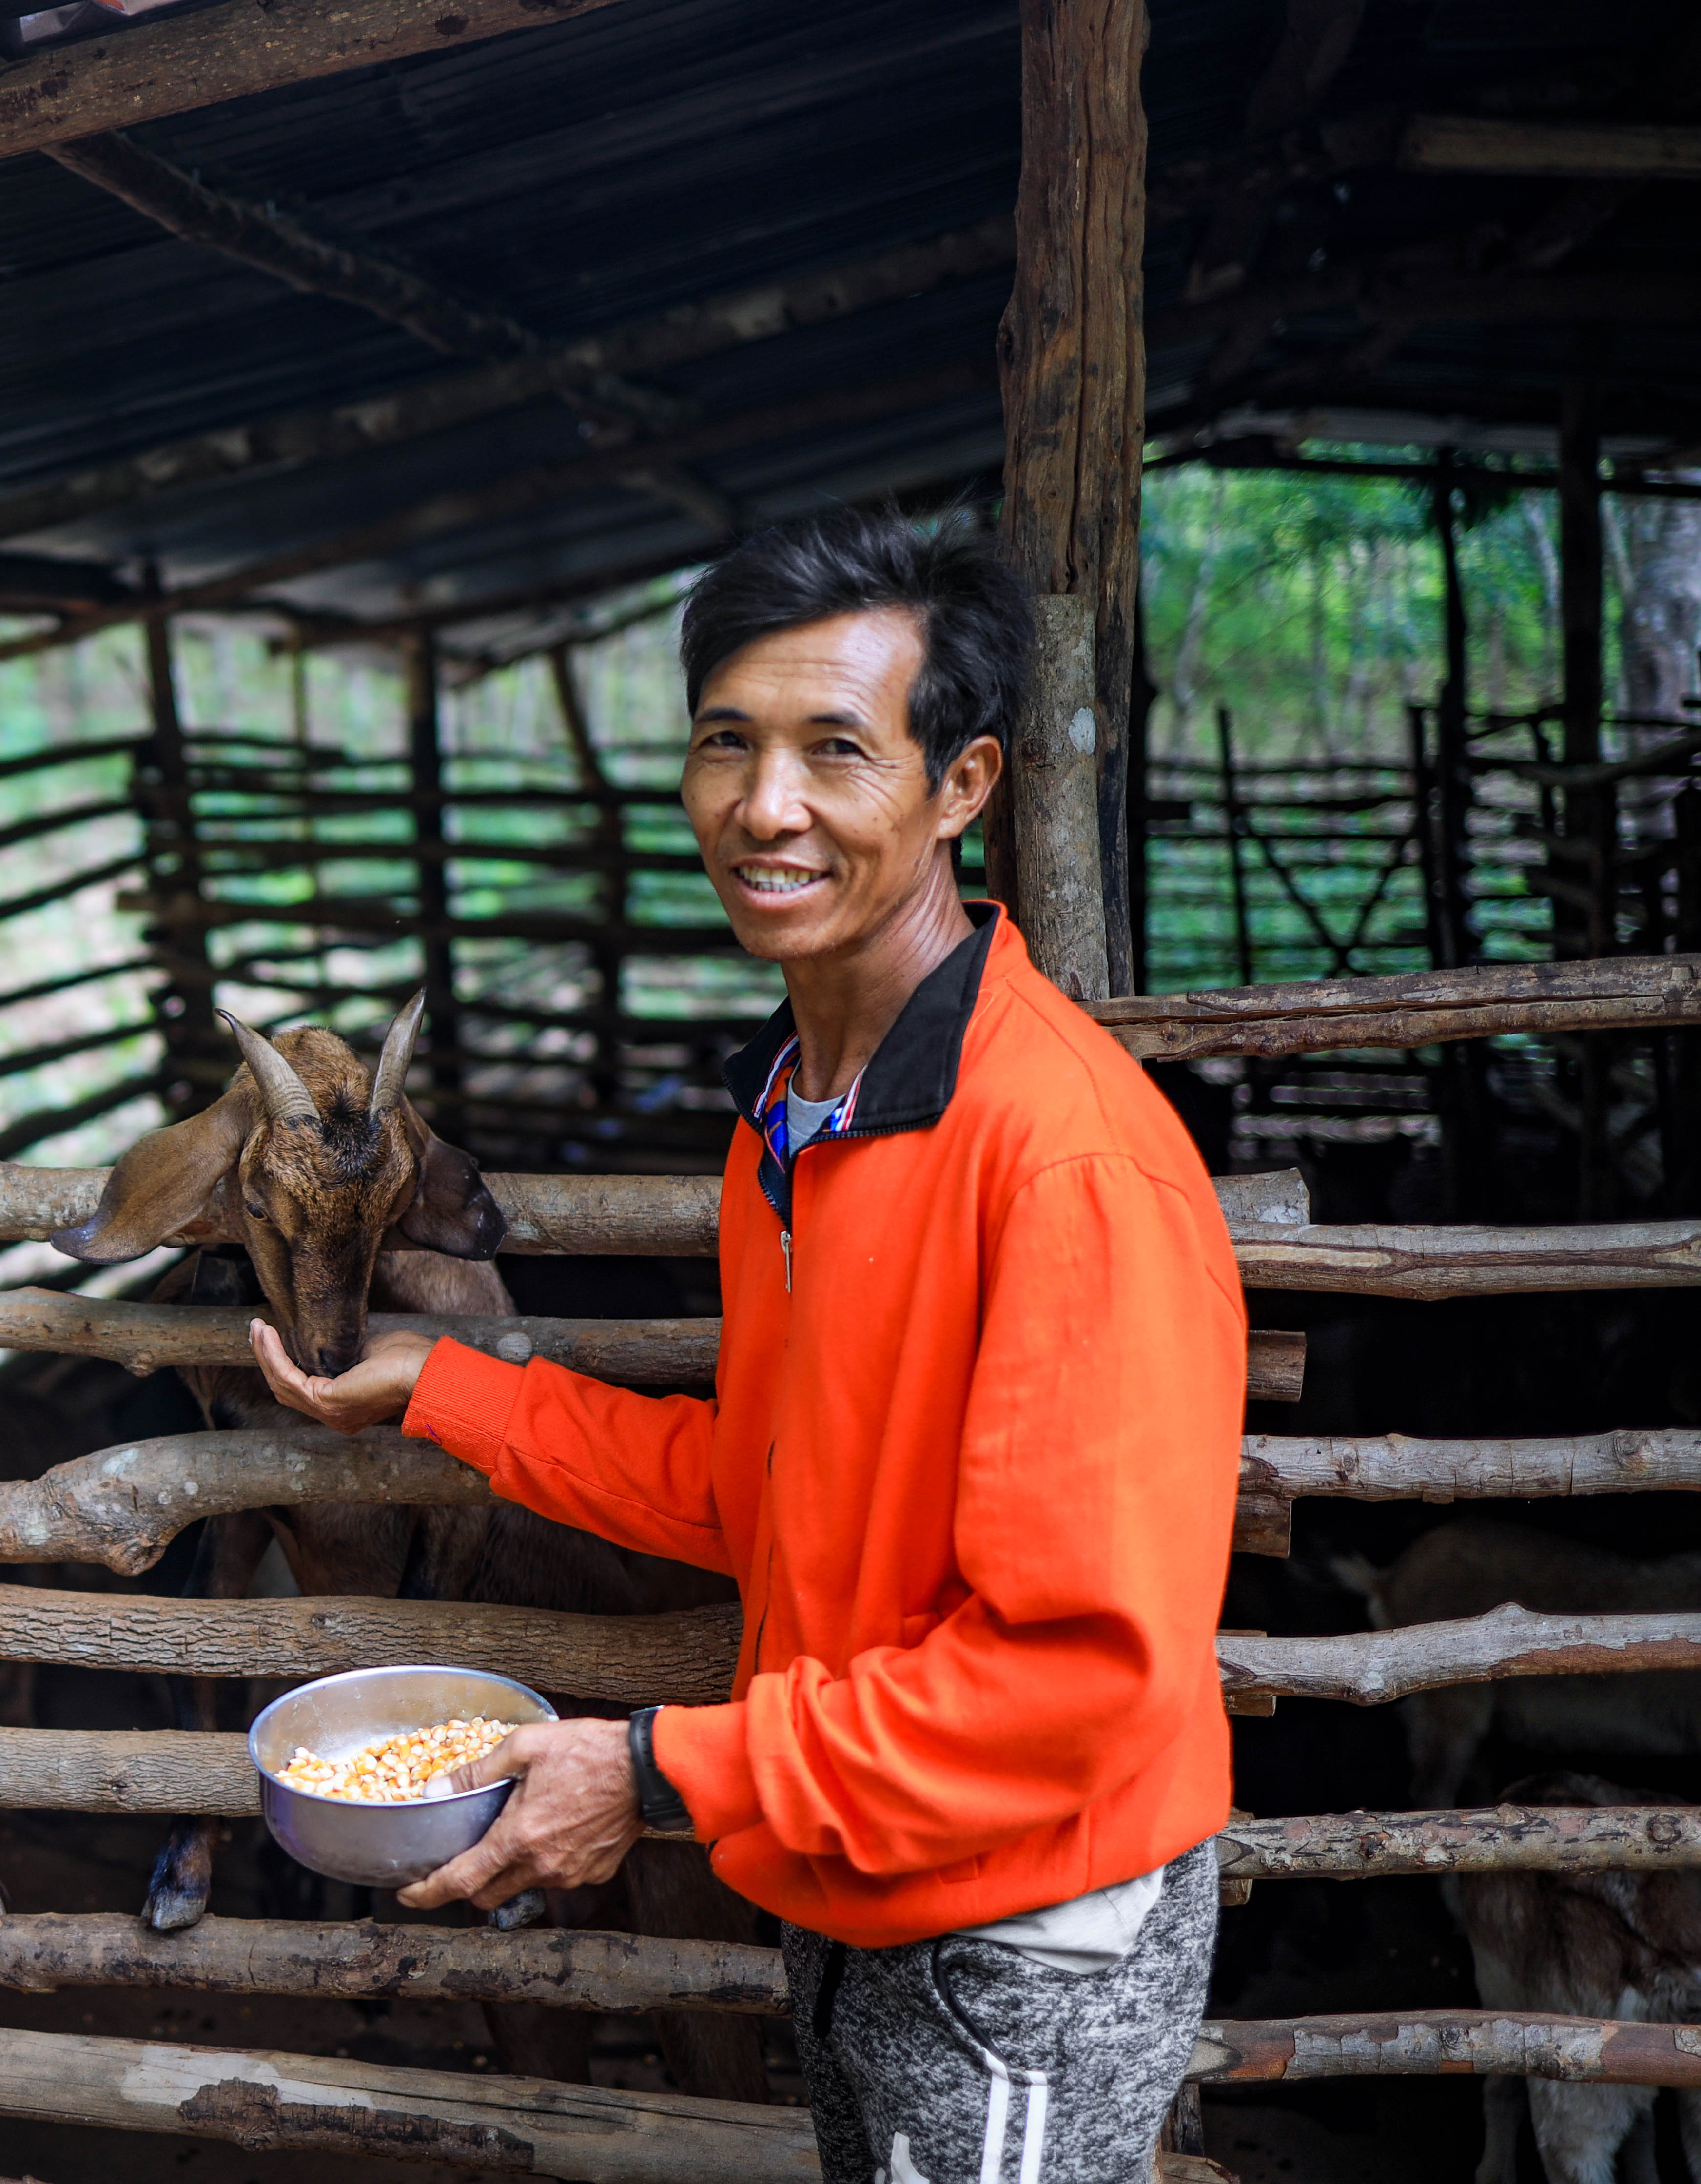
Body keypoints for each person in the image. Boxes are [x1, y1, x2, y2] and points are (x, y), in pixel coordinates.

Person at [249, 511, 1243, 2184]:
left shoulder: (1064, 1159)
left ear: (964, 787)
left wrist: (656, 1768)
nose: (763, 806)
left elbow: (1074, 1678)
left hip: (1024, 1925)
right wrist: (444, 1387)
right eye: (729, 742)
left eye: (835, 751)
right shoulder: (800, 1114)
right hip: (857, 1864)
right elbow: (776, 1488)